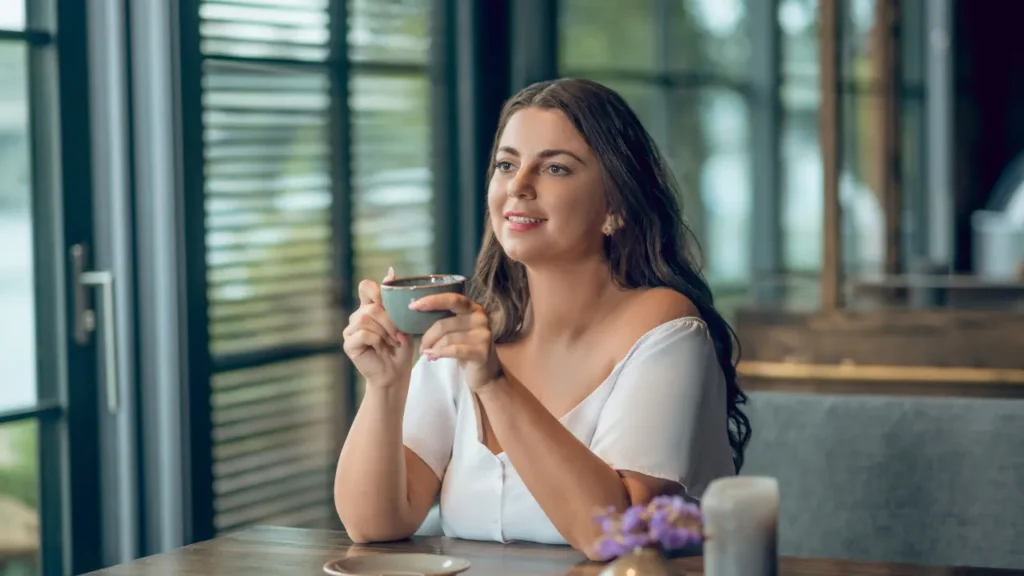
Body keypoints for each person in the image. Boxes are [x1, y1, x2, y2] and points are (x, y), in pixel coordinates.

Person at [334, 78, 751, 560]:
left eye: (555, 168)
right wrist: (386, 385)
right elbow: (375, 523)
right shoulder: (465, 332)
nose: (518, 185)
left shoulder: (665, 327)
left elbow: (615, 535)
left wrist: (493, 383)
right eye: (507, 164)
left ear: (615, 207)